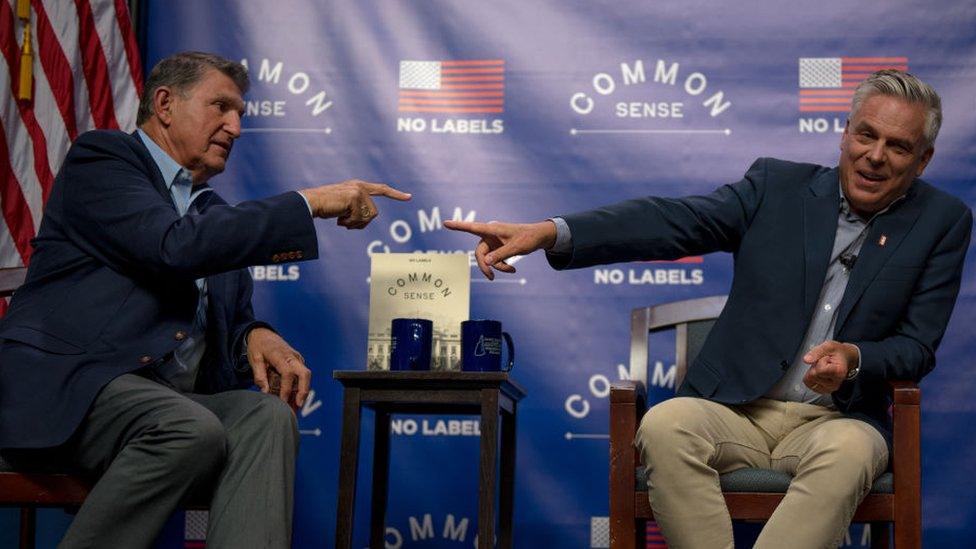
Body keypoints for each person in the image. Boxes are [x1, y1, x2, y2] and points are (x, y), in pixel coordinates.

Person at [444, 69, 972, 548]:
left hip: (836, 421)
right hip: (737, 411)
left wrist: (854, 358)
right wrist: (551, 232)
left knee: (852, 452)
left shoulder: (942, 222)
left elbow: (916, 346)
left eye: (898, 147)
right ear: (845, 132)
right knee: (665, 425)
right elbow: (670, 220)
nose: (875, 156)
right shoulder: (776, 187)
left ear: (922, 160)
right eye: (866, 135)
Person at [0, 51, 409, 548]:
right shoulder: (103, 159)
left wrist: (255, 334)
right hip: (71, 390)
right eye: (221, 107)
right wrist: (308, 202)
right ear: (166, 104)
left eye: (240, 115)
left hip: (165, 402)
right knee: (188, 427)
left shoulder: (211, 214)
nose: (235, 128)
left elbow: (223, 319)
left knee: (267, 416)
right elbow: (171, 248)